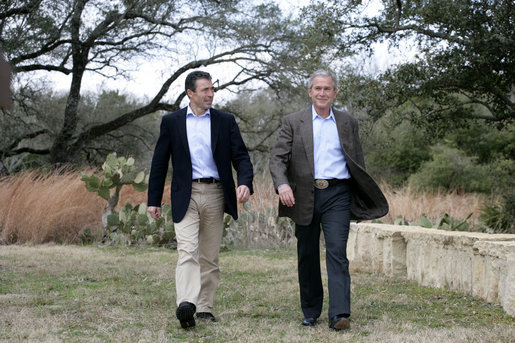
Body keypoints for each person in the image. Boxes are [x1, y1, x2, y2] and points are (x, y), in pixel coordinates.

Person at [269, 69, 388, 331]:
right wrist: (282, 184)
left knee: (337, 251)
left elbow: (358, 163)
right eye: (317, 88)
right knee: (307, 253)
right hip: (302, 195)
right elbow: (277, 158)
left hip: (338, 194)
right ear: (310, 91)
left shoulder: (348, 122)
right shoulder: (293, 121)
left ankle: (339, 314)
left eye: (327, 89)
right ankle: (310, 312)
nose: (322, 93)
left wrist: (360, 200)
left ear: (335, 93)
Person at [147, 70, 254, 329]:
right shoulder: (171, 122)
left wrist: (244, 183)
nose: (210, 94)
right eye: (205, 90)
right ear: (190, 93)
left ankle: (205, 307)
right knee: (186, 250)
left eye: (212, 89)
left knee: (209, 256)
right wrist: (153, 199)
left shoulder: (224, 121)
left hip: (217, 194)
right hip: (186, 194)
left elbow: (241, 157)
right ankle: (186, 304)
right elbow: (160, 162)